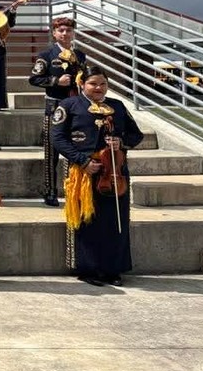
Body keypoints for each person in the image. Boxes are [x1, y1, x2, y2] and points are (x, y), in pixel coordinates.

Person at [51, 66, 142, 286]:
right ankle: (89, 269)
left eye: (102, 84)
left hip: (114, 170)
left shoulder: (117, 107)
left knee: (115, 219)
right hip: (84, 170)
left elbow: (136, 135)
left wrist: (122, 142)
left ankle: (113, 269)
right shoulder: (68, 106)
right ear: (82, 84)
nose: (98, 88)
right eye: (93, 84)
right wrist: (82, 161)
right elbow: (58, 138)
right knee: (87, 219)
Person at [30, 17, 88, 207]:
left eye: (68, 31)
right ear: (54, 33)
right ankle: (50, 192)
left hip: (76, 107)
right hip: (54, 106)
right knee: (52, 151)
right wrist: (56, 82)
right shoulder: (47, 55)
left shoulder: (79, 55)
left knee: (77, 148)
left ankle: (76, 189)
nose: (65, 34)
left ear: (73, 33)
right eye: (61, 31)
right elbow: (34, 79)